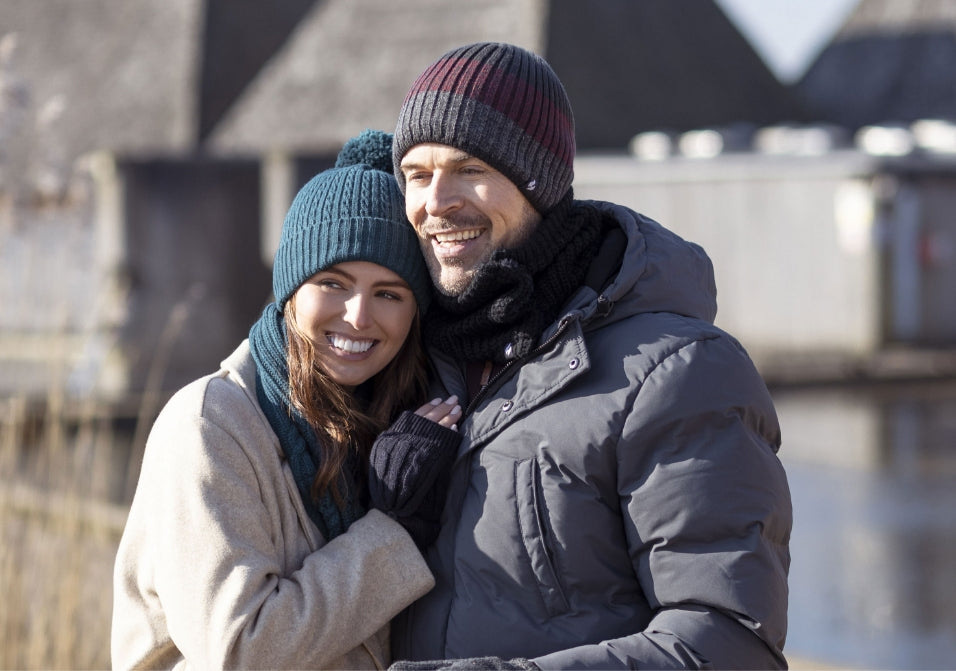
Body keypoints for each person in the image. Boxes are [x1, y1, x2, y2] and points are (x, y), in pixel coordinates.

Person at [386, 42, 793, 670]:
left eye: (469, 168)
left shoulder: (680, 373)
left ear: (540, 183)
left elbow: (729, 642)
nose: (436, 202)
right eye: (417, 174)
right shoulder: (410, 360)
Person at [112, 130, 462, 670]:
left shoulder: (400, 426)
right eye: (333, 283)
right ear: (291, 291)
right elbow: (242, 649)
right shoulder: (209, 426)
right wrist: (394, 533)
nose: (359, 316)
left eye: (389, 294)